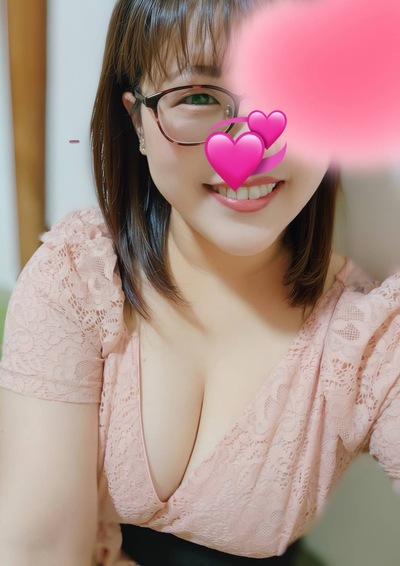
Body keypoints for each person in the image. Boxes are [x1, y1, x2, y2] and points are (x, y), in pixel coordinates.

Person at [0, 0, 399, 564]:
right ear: (137, 122)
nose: (250, 147)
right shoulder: (77, 278)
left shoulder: (367, 341)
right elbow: (37, 550)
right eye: (199, 98)